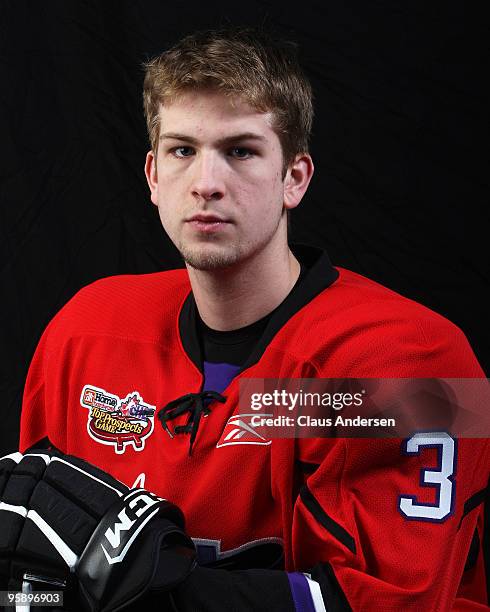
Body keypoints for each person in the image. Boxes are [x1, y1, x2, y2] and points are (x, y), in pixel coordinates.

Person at [3, 27, 488, 610]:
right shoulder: (86, 328)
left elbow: (393, 601)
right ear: (154, 176)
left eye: (241, 151)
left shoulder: (412, 359)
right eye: (183, 151)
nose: (206, 184)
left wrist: (153, 593)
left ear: (295, 178)